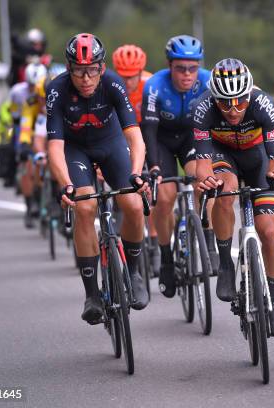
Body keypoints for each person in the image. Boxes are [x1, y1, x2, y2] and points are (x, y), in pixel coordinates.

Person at [47, 33, 149, 324]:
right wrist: (64, 183)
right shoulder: (57, 91)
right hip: (76, 149)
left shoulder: (113, 83)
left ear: (102, 68)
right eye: (79, 70)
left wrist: (136, 173)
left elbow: (134, 136)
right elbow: (54, 147)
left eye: (92, 69)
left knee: (132, 204)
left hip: (111, 143)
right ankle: (92, 294)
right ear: (69, 68)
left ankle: (133, 271)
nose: (86, 77)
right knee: (85, 207)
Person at [193, 58, 274, 339]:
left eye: (240, 101)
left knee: (269, 232)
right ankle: (225, 263)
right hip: (223, 155)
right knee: (223, 192)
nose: (234, 109)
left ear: (250, 94)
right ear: (214, 99)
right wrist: (206, 180)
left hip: (257, 157)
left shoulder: (264, 104)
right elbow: (202, 165)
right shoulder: (201, 109)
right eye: (225, 103)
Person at [141, 35, 212, 298]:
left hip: (192, 138)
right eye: (180, 68)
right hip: (161, 141)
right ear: (170, 66)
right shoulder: (155, 85)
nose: (187, 74)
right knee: (165, 197)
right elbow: (147, 128)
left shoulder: (207, 81)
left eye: (192, 68)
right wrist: (154, 168)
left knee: (202, 179)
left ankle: (209, 240)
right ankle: (167, 258)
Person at [112, 44, 161, 275]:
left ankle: (153, 242)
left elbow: (157, 122)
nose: (128, 81)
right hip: (124, 133)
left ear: (141, 72)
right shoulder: (112, 86)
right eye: (124, 77)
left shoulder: (149, 84)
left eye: (132, 77)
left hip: (147, 131)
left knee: (151, 185)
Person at [18, 62, 48, 228]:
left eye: (46, 97)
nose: (43, 102)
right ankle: (30, 205)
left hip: (48, 132)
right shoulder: (29, 102)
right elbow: (25, 124)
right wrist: (23, 143)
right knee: (28, 164)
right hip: (32, 133)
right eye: (40, 98)